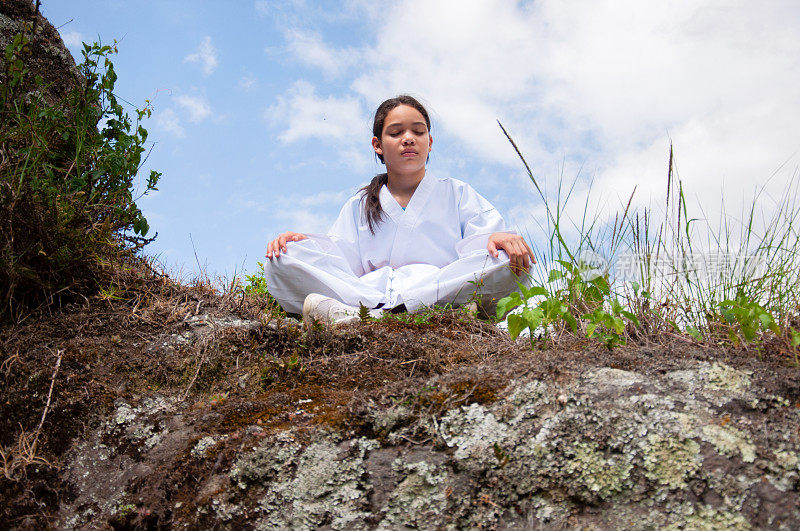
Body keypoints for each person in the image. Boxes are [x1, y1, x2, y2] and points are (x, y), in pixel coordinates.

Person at [264, 95, 535, 325]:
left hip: (441, 286)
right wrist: (302, 243)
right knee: (283, 257)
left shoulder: (457, 193)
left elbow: (485, 244)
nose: (408, 139)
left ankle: (361, 318)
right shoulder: (358, 205)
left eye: (418, 132)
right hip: (369, 293)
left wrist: (498, 238)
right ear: (378, 145)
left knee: (509, 261)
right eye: (396, 133)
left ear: (430, 141)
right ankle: (423, 315)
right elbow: (341, 259)